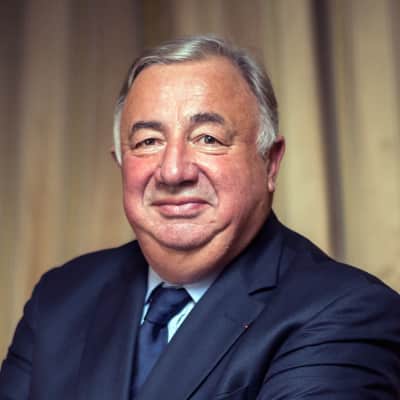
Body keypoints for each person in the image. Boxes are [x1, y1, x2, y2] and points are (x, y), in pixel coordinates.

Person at [1, 35, 399, 400]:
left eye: (208, 138)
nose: (173, 171)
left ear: (270, 163)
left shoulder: (346, 313)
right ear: (120, 163)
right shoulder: (61, 297)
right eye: (148, 141)